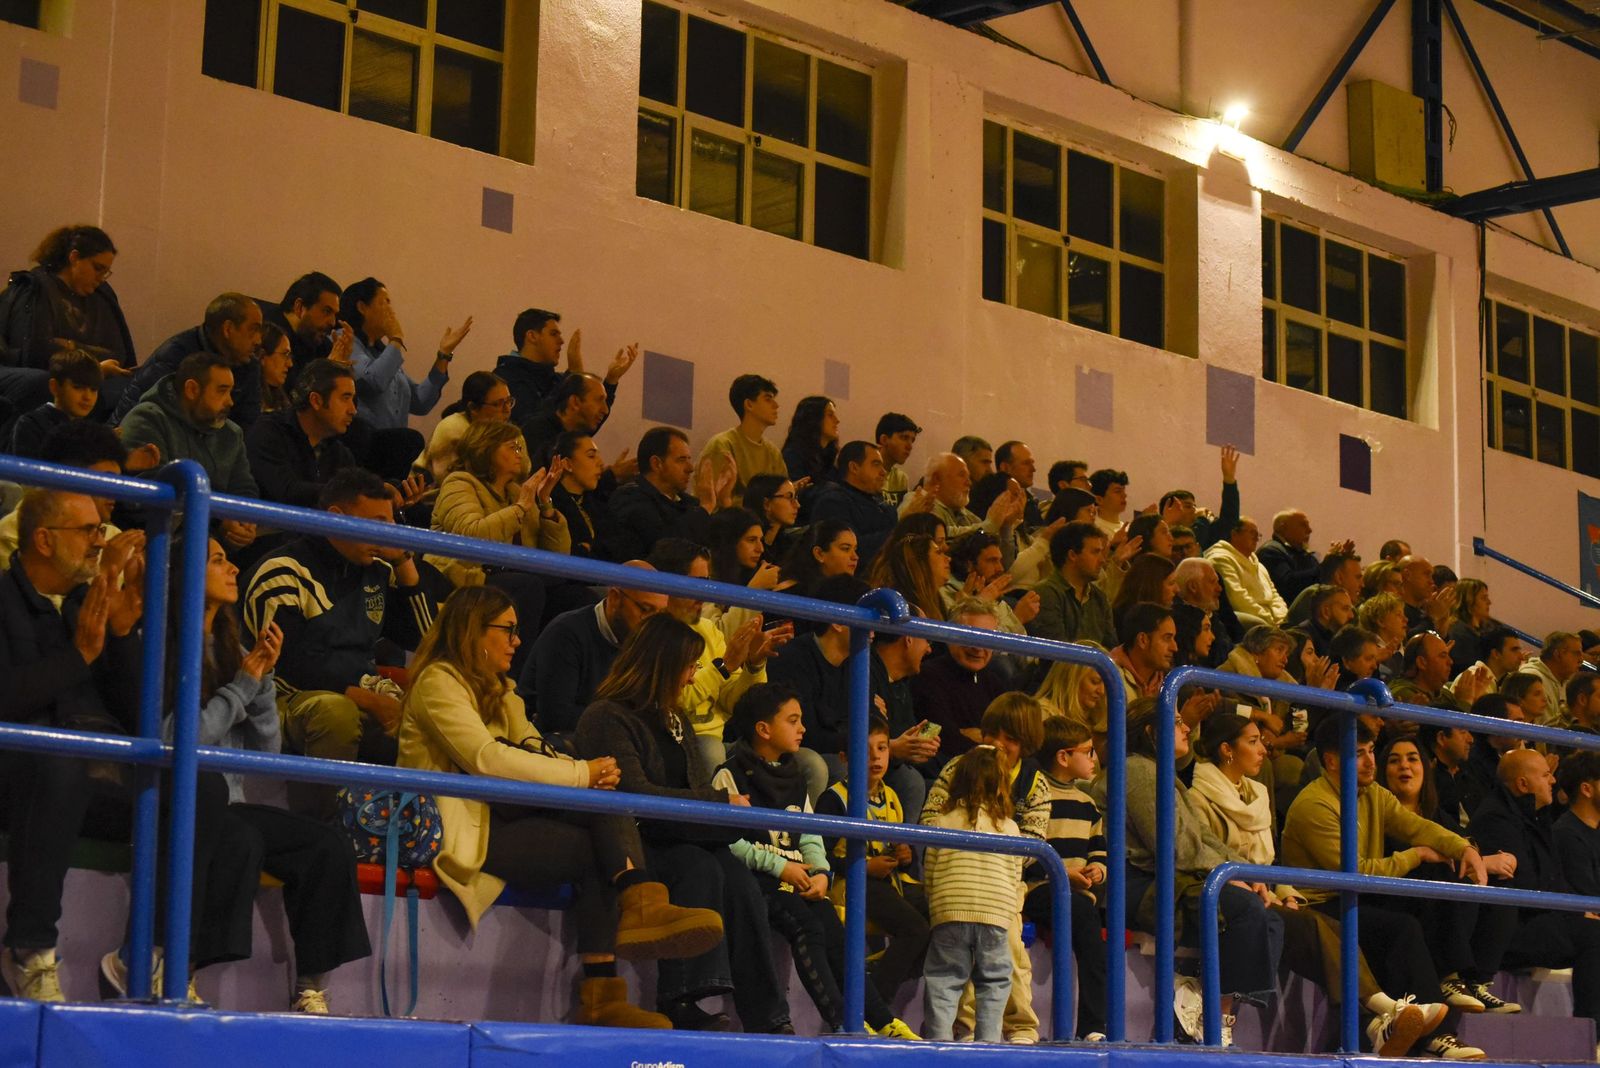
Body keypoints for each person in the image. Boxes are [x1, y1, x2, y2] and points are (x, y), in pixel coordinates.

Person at [397, 586, 724, 1028]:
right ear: (473, 631)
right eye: (508, 630)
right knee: (595, 804)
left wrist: (587, 773)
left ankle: (605, 991)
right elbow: (487, 759)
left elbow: (533, 746)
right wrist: (581, 774)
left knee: (598, 837)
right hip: (459, 826)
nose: (517, 641)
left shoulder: (501, 691)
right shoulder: (438, 681)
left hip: (501, 815)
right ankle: (639, 904)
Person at [152, 537, 370, 1014]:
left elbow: (264, 753)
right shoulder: (164, 645)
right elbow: (174, 739)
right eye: (217, 560)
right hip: (182, 800)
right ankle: (180, 972)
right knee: (241, 839)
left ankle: (310, 987)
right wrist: (243, 686)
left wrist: (264, 684)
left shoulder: (235, 650)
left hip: (230, 800)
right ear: (182, 574)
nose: (233, 568)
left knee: (327, 845)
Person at [574, 614, 794, 1034]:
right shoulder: (606, 716)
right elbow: (634, 794)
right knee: (700, 866)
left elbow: (690, 790)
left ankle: (770, 1017)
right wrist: (720, 803)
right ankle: (681, 998)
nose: (693, 678)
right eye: (689, 667)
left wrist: (725, 816)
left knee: (742, 881)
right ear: (662, 665)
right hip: (631, 842)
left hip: (679, 833)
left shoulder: (676, 719)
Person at [1190, 715, 1448, 1055]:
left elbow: (1270, 864)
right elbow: (1203, 858)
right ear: (1227, 750)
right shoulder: (1199, 798)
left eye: (1371, 751)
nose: (1263, 749)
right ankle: (1385, 1011)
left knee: (1342, 926)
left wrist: (1285, 891)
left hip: (1268, 893)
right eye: (1252, 742)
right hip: (1230, 897)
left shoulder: (1258, 794)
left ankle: (1377, 1023)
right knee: (1320, 924)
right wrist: (1259, 887)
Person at [0, 489, 144, 1001]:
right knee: (61, 766)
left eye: (100, 530)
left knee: (199, 790)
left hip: (91, 773)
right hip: (18, 773)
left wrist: (122, 636)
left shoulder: (89, 602)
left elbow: (137, 716)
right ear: (43, 539)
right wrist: (78, 655)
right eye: (87, 530)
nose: (100, 541)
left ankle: (145, 960)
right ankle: (29, 950)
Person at [715, 685, 918, 1038]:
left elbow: (810, 833)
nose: (803, 729)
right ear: (764, 729)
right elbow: (729, 842)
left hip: (801, 877)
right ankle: (843, 1022)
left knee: (836, 933)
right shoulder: (729, 774)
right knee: (808, 927)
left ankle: (883, 1020)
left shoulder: (796, 774)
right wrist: (782, 867)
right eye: (793, 721)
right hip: (763, 880)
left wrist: (822, 871)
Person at [1281, 718, 1489, 1059]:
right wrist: (1415, 854)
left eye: (1371, 751)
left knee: (1431, 890)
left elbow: (1417, 826)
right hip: (1322, 903)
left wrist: (1463, 848)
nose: (1370, 762)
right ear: (1331, 761)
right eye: (1358, 754)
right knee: (1401, 928)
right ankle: (1437, 1036)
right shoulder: (1314, 805)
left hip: (1357, 895)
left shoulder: (1372, 793)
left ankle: (1450, 979)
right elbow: (1355, 872)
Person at [243, 468, 445, 819]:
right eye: (378, 523)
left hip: (359, 690)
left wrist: (403, 560)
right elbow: (289, 665)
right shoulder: (283, 571)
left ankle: (415, 830)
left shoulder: (376, 569)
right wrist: (366, 698)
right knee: (337, 712)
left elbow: (426, 638)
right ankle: (322, 826)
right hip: (280, 695)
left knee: (441, 714)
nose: (389, 533)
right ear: (337, 517)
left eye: (392, 523)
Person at [920, 692, 1049, 1044]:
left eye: (1010, 739)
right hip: (966, 881)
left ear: (1026, 744)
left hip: (1001, 887)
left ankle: (1019, 1025)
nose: (997, 744)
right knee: (983, 967)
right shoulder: (959, 765)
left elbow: (1032, 846)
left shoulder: (1035, 782)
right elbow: (928, 821)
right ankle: (968, 1027)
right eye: (992, 734)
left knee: (1011, 947)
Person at [1469, 749, 1600, 1030]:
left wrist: (1576, 910)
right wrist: (1575, 914)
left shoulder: (1537, 817)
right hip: (1506, 931)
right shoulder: (1496, 818)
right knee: (1594, 934)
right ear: (1523, 784)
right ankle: (1594, 1033)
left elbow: (1553, 879)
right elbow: (1525, 885)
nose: (1553, 780)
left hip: (1535, 919)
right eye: (1546, 775)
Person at [426, 421, 569, 674]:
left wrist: (545, 503)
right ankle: (512, 679)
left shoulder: (516, 492)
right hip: (464, 577)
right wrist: (521, 508)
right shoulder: (459, 483)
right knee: (528, 586)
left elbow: (557, 558)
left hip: (505, 575)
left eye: (521, 448)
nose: (520, 454)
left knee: (572, 593)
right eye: (512, 447)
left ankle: (544, 680)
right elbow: (471, 537)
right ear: (486, 448)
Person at [814, 712, 930, 1004]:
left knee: (943, 916)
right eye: (864, 751)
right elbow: (819, 857)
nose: (875, 757)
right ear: (844, 758)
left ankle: (877, 976)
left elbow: (903, 852)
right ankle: (871, 1006)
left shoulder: (891, 796)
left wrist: (905, 855)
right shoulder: (834, 799)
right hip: (851, 882)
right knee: (915, 930)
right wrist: (864, 867)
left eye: (882, 748)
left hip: (889, 881)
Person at [649, 538, 787, 771]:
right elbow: (675, 701)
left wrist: (754, 665)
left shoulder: (707, 629)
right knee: (711, 751)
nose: (703, 595)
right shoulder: (653, 632)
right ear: (669, 583)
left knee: (804, 762)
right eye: (697, 583)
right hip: (674, 738)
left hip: (720, 739)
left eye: (707, 583)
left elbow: (735, 704)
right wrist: (725, 665)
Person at [920, 745, 1022, 1043]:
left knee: (944, 979)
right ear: (1002, 785)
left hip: (950, 910)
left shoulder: (943, 821)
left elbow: (930, 870)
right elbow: (1015, 875)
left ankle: (939, 1043)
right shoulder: (1010, 828)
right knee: (994, 981)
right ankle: (988, 1045)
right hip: (995, 913)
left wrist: (937, 904)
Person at [119, 353, 260, 552]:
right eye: (222, 391)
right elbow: (148, 499)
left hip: (212, 544)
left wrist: (242, 521)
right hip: (154, 546)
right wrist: (220, 520)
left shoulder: (231, 433)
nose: (230, 402)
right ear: (192, 389)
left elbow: (244, 488)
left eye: (230, 392)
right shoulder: (147, 419)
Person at [1028, 716, 1109, 1040]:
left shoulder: (1088, 804)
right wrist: (1061, 874)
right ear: (1063, 756)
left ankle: (1092, 1027)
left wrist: (1097, 870)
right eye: (1088, 752)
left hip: (1078, 897)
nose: (1094, 759)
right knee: (1087, 923)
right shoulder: (1035, 795)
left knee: (1092, 935)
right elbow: (1026, 853)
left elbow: (1098, 849)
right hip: (1039, 889)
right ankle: (1093, 1026)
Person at [522, 562, 669, 736]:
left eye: (660, 614)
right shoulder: (566, 633)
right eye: (646, 609)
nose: (652, 623)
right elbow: (557, 717)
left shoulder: (646, 638)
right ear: (615, 598)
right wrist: (627, 722)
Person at [0, 225, 134, 414]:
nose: (101, 278)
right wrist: (93, 368)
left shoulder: (102, 296)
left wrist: (70, 346)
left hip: (91, 375)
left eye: (106, 272)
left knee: (132, 388)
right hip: (34, 374)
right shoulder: (36, 288)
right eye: (97, 268)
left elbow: (118, 354)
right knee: (42, 383)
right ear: (74, 258)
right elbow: (35, 351)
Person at [0, 421, 146, 568]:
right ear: (66, 478)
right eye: (106, 481)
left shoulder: (113, 538)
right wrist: (106, 570)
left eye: (116, 482)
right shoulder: (13, 535)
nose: (114, 492)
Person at [112, 292, 263, 427]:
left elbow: (247, 426)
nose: (258, 340)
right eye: (253, 329)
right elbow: (139, 421)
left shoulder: (249, 365)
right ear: (228, 329)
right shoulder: (174, 357)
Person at [340, 277, 465, 432]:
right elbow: (372, 382)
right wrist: (396, 338)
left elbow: (420, 402)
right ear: (362, 307)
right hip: (363, 441)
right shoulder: (344, 341)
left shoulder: (383, 352)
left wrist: (444, 355)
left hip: (393, 443)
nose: (391, 311)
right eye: (385, 302)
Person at [494, 308, 630, 433]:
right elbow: (530, 431)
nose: (562, 341)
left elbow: (583, 428)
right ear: (532, 336)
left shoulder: (558, 380)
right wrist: (574, 375)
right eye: (553, 334)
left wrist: (611, 382)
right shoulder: (504, 379)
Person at [602, 426, 729, 562]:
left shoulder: (690, 504)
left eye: (689, 459)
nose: (690, 468)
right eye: (681, 460)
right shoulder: (628, 499)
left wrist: (725, 502)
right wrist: (705, 507)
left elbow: (721, 552)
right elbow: (666, 549)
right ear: (657, 464)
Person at [244, 358, 358, 507]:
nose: (353, 410)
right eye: (345, 398)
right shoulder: (269, 433)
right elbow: (285, 492)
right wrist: (349, 494)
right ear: (316, 401)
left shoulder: (340, 454)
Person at [912, 598, 1012, 763]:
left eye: (987, 639)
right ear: (950, 636)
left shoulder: (995, 682)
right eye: (970, 637)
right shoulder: (927, 676)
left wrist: (977, 737)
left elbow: (1010, 738)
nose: (978, 648)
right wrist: (988, 743)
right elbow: (940, 737)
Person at [901, 451, 1022, 560]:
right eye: (961, 475)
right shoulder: (915, 502)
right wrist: (988, 526)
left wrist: (1005, 528)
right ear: (937, 478)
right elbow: (941, 536)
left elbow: (1002, 565)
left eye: (968, 477)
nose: (969, 483)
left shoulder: (971, 518)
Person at [413, 370, 521, 486]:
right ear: (473, 408)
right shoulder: (452, 429)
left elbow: (521, 474)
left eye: (509, 401)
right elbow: (450, 483)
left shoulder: (510, 434)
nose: (507, 410)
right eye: (497, 404)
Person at [1027, 521, 1117, 648]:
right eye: (1095, 552)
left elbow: (1110, 648)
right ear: (1072, 555)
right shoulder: (1046, 593)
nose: (1102, 560)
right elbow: (1056, 651)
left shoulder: (1099, 598)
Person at [809, 440, 897, 564]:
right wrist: (900, 529)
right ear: (854, 468)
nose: (884, 472)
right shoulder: (832, 502)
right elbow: (852, 552)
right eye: (876, 464)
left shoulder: (881, 505)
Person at [699, 373, 786, 497]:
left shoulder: (773, 453)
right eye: (768, 399)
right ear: (749, 404)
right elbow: (712, 498)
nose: (776, 405)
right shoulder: (723, 444)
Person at [9, 348, 102, 460]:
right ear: (54, 387)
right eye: (78, 387)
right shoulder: (31, 425)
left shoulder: (90, 431)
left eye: (93, 390)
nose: (88, 397)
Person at [520, 370, 622, 466]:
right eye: (599, 400)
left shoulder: (574, 432)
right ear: (575, 402)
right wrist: (611, 475)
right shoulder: (537, 434)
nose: (605, 410)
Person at [1204, 517, 1288, 628]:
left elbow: (1274, 595)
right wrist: (1271, 621)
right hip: (1252, 622)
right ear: (1234, 534)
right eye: (1252, 533)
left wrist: (1282, 618)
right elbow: (1238, 599)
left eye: (1258, 535)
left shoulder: (1259, 565)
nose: (1256, 539)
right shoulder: (1221, 560)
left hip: (1274, 622)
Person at [262, 271, 344, 377]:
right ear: (299, 307)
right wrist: (328, 369)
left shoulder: (315, 338)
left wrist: (341, 364)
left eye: (335, 314)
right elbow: (288, 387)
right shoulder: (269, 336)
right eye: (326, 311)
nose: (332, 322)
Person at [865, 522, 949, 620]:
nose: (948, 558)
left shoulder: (937, 602)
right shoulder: (901, 609)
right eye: (938, 553)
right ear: (920, 564)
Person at [550, 430, 612, 561]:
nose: (600, 463)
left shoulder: (598, 506)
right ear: (568, 464)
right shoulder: (550, 503)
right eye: (591, 456)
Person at [1256, 509, 1333, 604]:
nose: (1309, 530)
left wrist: (1337, 562)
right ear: (1283, 528)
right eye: (1303, 525)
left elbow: (1320, 580)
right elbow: (1288, 585)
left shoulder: (1304, 554)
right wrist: (1326, 565)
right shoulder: (1270, 552)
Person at [780, 395, 840, 511]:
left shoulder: (831, 457)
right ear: (814, 419)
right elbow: (799, 496)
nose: (837, 420)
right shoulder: (793, 455)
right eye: (830, 415)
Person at [1520, 631, 1585, 727]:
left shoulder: (1566, 680)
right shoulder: (1531, 677)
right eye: (1576, 653)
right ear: (1558, 654)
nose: (1581, 660)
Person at [742, 473, 801, 565]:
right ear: (766, 504)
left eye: (795, 497)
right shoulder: (748, 547)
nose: (797, 505)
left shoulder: (787, 544)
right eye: (789, 497)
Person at [875, 412, 920, 507]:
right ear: (884, 439)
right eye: (904, 438)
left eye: (912, 440)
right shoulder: (866, 472)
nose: (910, 446)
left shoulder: (901, 479)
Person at [1088, 469, 1128, 539]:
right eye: (1118, 491)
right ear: (1099, 500)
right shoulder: (1094, 529)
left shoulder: (1127, 528)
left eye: (1124, 490)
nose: (1124, 495)